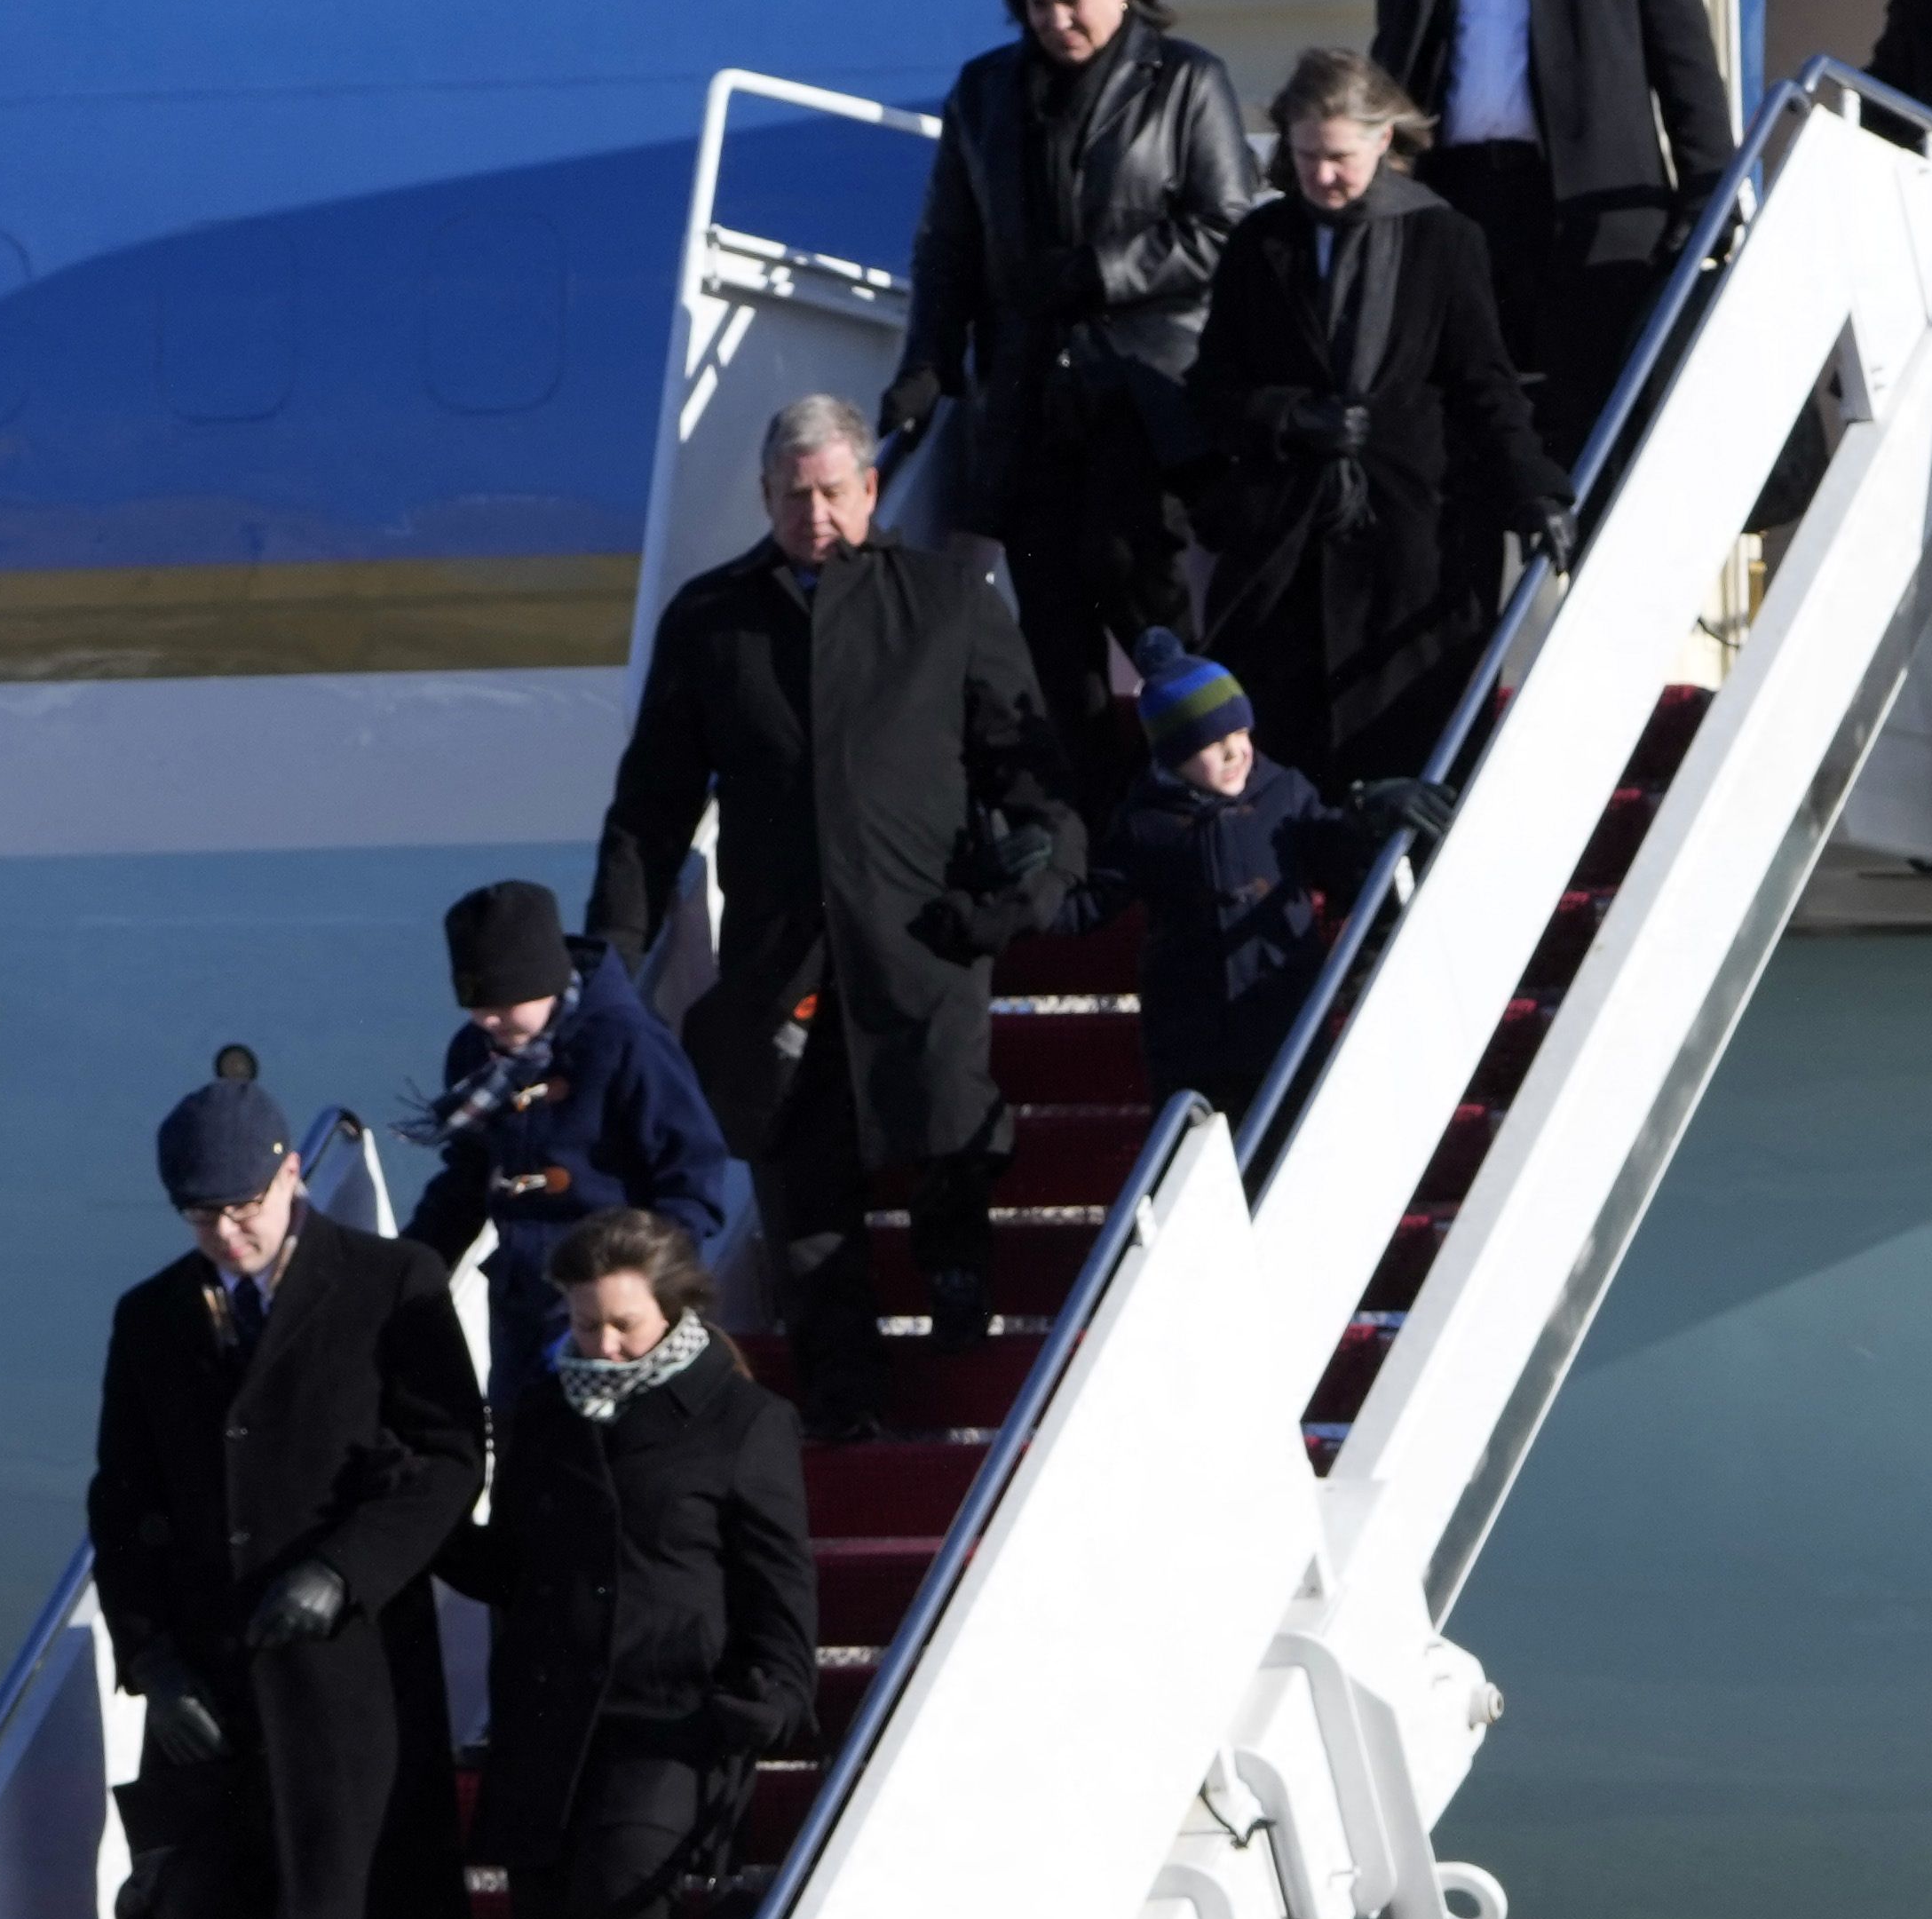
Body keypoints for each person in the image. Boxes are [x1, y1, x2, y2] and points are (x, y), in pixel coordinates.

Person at [586, 398, 1082, 1433]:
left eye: (832, 492)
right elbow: (654, 805)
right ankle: (842, 1404)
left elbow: (1027, 770)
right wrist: (613, 947)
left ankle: (957, 1289)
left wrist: (1035, 876)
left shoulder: (945, 600)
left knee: (948, 1128)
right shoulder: (712, 619)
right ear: (766, 496)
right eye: (793, 495)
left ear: (868, 490)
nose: (814, 513)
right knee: (802, 1184)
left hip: (925, 937)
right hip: (783, 956)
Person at [89, 1061, 487, 1919]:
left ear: (290, 1173)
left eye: (244, 1206)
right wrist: (153, 1659)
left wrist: (345, 1573)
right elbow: (122, 1503)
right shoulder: (151, 1319)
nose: (230, 1231)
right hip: (207, 1695)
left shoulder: (388, 1285)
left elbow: (445, 1459)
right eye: (204, 1216)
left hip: (339, 1683)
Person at [465, 1211, 814, 1919]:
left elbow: (781, 1589)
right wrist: (429, 1527)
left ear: (675, 1307)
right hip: (550, 1728)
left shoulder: (742, 1420)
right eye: (586, 1326)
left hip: (671, 1723)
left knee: (624, 1913)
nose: (605, 1345)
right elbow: (515, 1569)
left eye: (624, 1323)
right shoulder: (544, 1414)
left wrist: (771, 1699)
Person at [887, 0, 1257, 753]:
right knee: (1053, 631)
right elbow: (948, 246)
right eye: (1035, 2)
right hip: (1024, 400)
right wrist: (927, 363)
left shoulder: (1186, 81)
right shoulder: (984, 94)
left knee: (1148, 603)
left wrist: (1103, 271)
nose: (1054, 21)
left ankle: (1216, 791)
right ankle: (1096, 834)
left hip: (1143, 399)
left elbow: (1228, 229)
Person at [1182, 48, 1563, 805]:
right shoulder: (1262, 246)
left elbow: (1484, 381)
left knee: (1408, 733)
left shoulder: (1445, 240)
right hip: (1290, 535)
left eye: (1340, 157)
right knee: (1291, 730)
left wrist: (1535, 492)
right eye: (1306, 156)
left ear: (1385, 142)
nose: (1322, 176)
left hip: (1415, 533)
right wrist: (1290, 416)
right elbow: (1212, 388)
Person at [1369, 0, 1734, 457]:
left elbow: (1686, 65)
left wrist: (1709, 195)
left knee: (1596, 431)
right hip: (1460, 199)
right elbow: (1394, 62)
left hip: (1591, 208)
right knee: (1466, 424)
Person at [400, 875, 750, 1329]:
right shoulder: (476, 1051)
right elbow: (469, 1176)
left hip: (618, 1301)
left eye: (503, 1001)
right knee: (522, 1403)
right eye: (474, 1003)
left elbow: (689, 1170)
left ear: (544, 981)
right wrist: (407, 1267)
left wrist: (654, 1287)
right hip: (522, 1296)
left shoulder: (626, 1043)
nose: (488, 1018)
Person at [1103, 651, 1424, 1130]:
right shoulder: (1145, 823)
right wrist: (1038, 887)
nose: (1235, 753)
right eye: (1212, 744)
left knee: (1291, 1132)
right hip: (1192, 1030)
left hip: (1283, 1009)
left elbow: (1334, 849)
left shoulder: (1285, 794)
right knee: (1198, 1150)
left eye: (1240, 734)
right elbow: (1096, 895)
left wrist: (1369, 815)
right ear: (1173, 756)